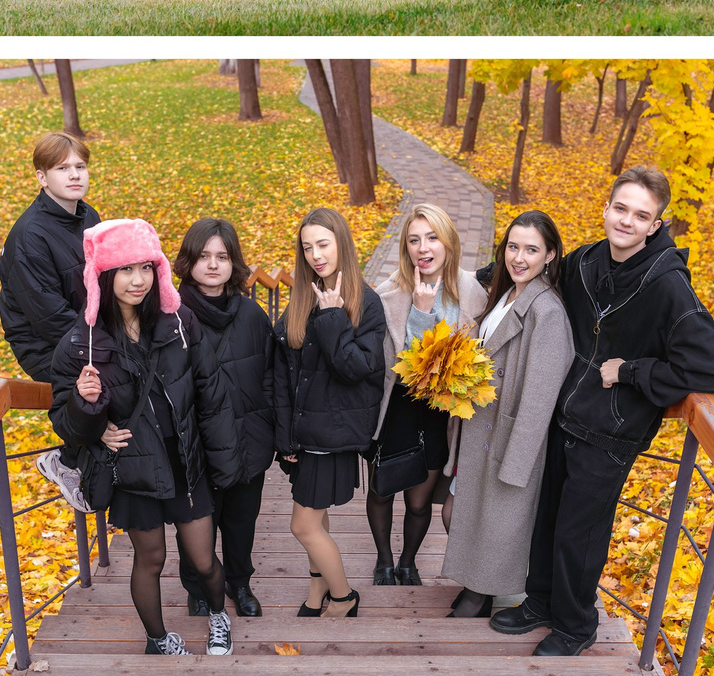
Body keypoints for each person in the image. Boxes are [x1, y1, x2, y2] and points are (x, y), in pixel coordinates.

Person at [490, 167, 714, 656]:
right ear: (606, 208)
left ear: (654, 226)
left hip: (611, 432)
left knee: (579, 534)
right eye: (621, 208)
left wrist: (632, 371)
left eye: (640, 215)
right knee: (547, 520)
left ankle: (575, 626)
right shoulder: (585, 261)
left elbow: (707, 369)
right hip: (563, 416)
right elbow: (534, 273)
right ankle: (540, 602)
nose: (626, 221)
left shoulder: (667, 285)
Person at [45, 218, 237, 657]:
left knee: (203, 558)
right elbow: (64, 421)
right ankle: (158, 639)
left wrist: (224, 462)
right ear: (104, 276)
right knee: (150, 559)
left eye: (146, 267)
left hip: (183, 459)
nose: (138, 280)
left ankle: (218, 617)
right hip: (133, 467)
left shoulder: (179, 321)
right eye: (126, 270)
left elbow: (211, 391)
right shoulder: (81, 343)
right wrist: (87, 410)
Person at [440, 210, 573, 619]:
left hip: (506, 438)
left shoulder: (546, 311)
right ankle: (476, 588)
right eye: (513, 247)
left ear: (550, 255)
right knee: (458, 513)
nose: (519, 257)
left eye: (531, 250)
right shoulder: (507, 293)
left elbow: (539, 399)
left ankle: (479, 595)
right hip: (479, 429)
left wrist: (515, 464)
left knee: (492, 523)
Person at [268, 207, 385, 618]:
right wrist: (285, 437)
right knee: (315, 522)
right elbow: (286, 372)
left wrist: (335, 316)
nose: (315, 255)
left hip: (332, 431)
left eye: (323, 244)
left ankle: (343, 596)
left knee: (302, 526)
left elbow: (357, 369)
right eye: (307, 247)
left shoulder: (365, 302)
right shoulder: (305, 296)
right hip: (305, 431)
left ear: (342, 244)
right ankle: (317, 591)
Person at [366, 203, 483, 587]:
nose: (423, 247)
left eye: (432, 237)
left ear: (448, 241)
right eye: (414, 240)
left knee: (418, 501)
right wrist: (420, 310)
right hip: (397, 406)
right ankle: (384, 560)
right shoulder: (388, 294)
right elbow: (402, 364)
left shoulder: (472, 293)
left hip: (440, 413)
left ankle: (407, 561)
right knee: (382, 491)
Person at [174, 217, 273, 619]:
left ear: (234, 263)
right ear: (188, 262)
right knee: (197, 522)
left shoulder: (252, 315)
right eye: (203, 256)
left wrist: (272, 431)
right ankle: (198, 587)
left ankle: (239, 581)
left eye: (222, 256)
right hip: (195, 445)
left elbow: (271, 376)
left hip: (248, 437)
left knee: (241, 521)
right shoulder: (170, 316)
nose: (213, 265)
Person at [0, 131, 102, 382]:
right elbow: (51, 319)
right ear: (42, 178)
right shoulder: (30, 237)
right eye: (62, 168)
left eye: (80, 166)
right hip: (49, 350)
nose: (75, 175)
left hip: (91, 332)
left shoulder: (88, 216)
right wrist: (109, 347)